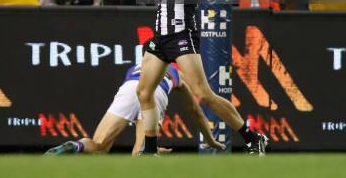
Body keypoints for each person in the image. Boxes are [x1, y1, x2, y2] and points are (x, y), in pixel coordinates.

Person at [113, 0, 268, 155]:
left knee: (203, 94)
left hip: (182, 34)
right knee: (143, 93)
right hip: (160, 37)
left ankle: (252, 137)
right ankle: (150, 149)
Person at [45, 50, 224, 155]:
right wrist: (210, 139)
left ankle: (76, 146)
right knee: (140, 154)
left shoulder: (139, 65)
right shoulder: (178, 74)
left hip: (131, 88)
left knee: (99, 146)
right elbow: (195, 111)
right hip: (156, 94)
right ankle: (146, 150)